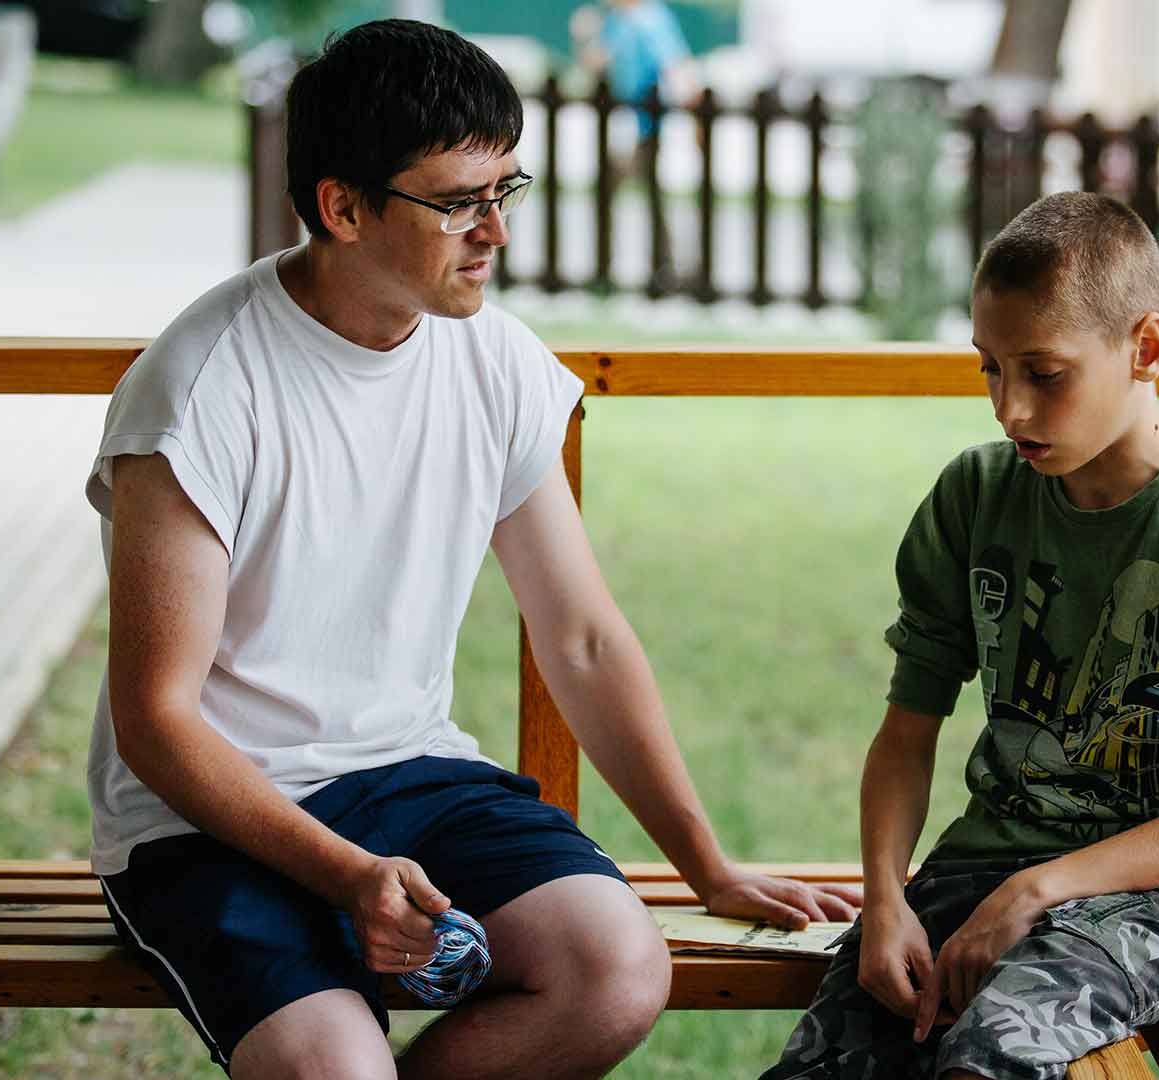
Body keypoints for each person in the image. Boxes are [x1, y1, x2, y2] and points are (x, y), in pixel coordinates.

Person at [83, 19, 859, 1079]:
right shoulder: (202, 389)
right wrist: (350, 874)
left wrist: (707, 864)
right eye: (457, 202)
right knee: (333, 1071)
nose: (494, 231)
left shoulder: (493, 360)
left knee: (619, 969)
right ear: (341, 208)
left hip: (410, 770)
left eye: (506, 191)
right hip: (206, 817)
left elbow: (580, 638)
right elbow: (158, 723)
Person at [762, 191, 1159, 1080]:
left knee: (990, 1060)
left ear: (1147, 349)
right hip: (981, 866)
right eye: (988, 369)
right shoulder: (975, 495)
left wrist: (1039, 888)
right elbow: (908, 730)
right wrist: (887, 900)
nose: (1007, 409)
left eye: (1044, 374)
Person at [572, 0, 693, 288]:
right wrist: (584, 36)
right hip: (625, 123)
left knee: (639, 192)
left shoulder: (650, 19)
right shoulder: (617, 21)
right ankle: (656, 266)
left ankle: (665, 267)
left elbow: (674, 64)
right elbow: (596, 61)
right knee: (624, 191)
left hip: (646, 126)